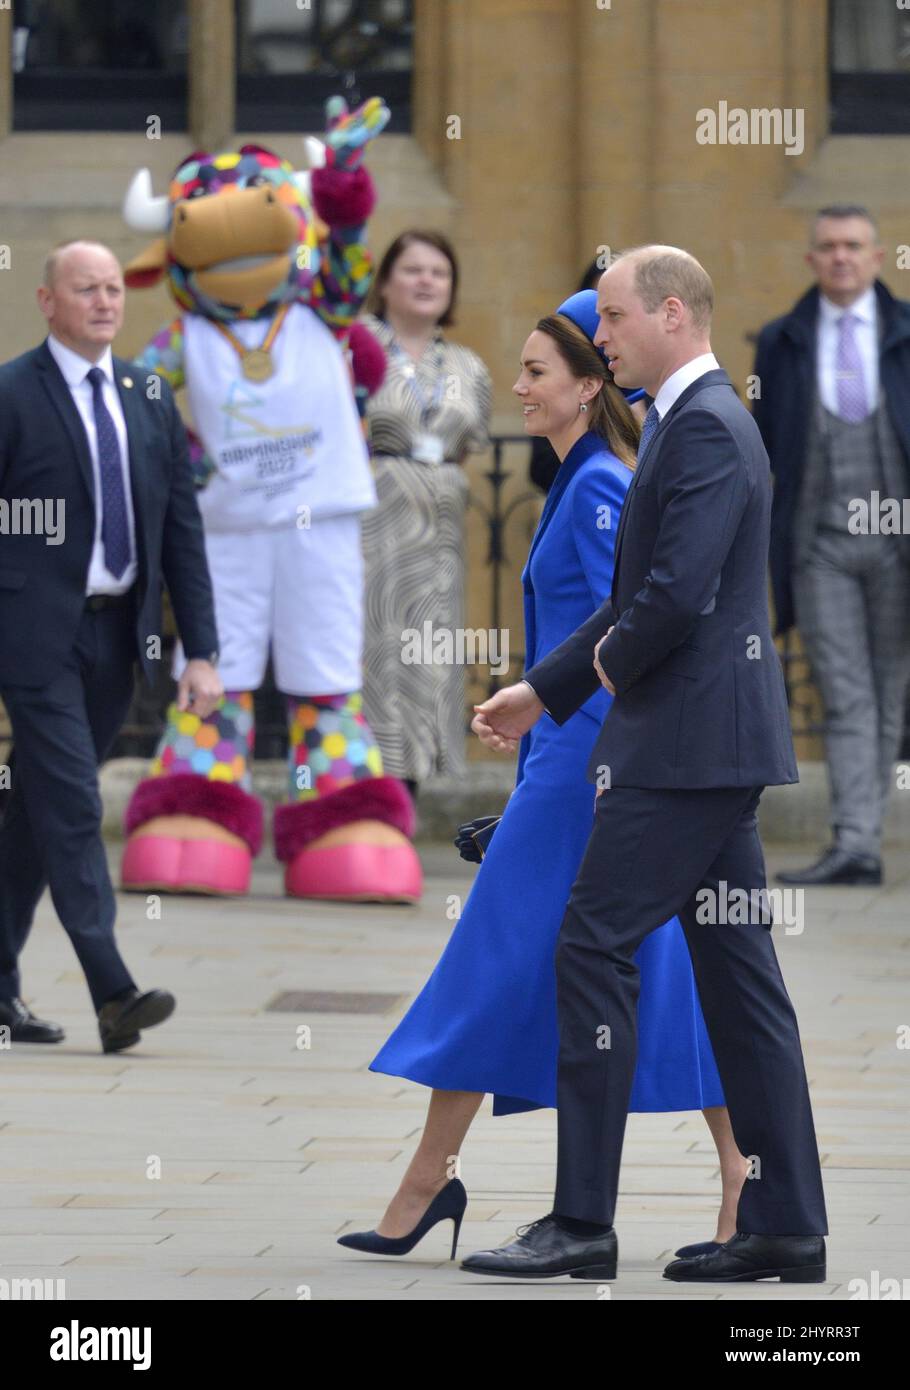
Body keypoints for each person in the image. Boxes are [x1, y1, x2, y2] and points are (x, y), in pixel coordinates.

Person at [336, 290, 751, 1264]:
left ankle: (430, 1180)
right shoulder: (576, 479)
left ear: (585, 384)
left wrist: (542, 699)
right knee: (644, 970)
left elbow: (635, 620)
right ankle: (741, 1169)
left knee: (495, 954)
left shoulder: (603, 483)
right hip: (567, 757)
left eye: (533, 372)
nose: (516, 388)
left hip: (588, 763)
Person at [461, 245, 828, 1284]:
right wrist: (545, 689)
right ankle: (785, 1225)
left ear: (673, 314)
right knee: (741, 984)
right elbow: (641, 600)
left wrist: (604, 676)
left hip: (682, 753)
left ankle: (581, 1222)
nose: (602, 333)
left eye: (613, 318)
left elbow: (673, 600)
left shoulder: (706, 424)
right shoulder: (681, 422)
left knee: (591, 949)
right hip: (706, 749)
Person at [0, 239, 222, 1052]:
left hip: (117, 639)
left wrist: (201, 651)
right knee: (74, 806)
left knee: (35, 812)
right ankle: (112, 988)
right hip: (33, 637)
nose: (102, 301)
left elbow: (181, 531)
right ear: (47, 301)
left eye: (111, 289)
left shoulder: (148, 395)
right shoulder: (12, 394)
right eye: (83, 289)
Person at [753, 204, 910, 887]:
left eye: (854, 246)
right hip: (819, 543)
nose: (841, 257)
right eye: (828, 247)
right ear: (812, 259)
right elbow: (765, 445)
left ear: (878, 257)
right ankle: (856, 842)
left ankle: (864, 835)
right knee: (845, 693)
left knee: (890, 692)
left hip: (900, 542)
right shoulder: (784, 340)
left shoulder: (907, 333)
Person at [359, 231, 493, 797]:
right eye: (412, 270)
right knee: (374, 655)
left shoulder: (467, 364)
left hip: (436, 544)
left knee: (424, 665)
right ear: (386, 281)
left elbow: (466, 444)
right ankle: (363, 796)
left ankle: (405, 801)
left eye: (439, 273)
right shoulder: (355, 345)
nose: (426, 282)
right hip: (370, 532)